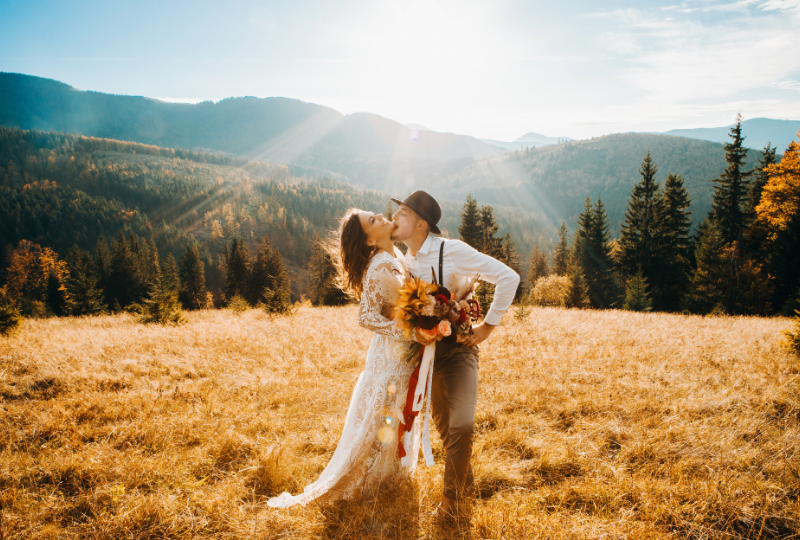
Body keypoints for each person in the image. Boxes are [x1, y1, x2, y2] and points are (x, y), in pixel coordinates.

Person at [268, 208, 423, 508]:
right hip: (389, 357)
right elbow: (365, 317)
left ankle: (388, 478)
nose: (380, 216)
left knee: (396, 413)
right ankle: (368, 481)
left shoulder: (397, 259)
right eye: (373, 220)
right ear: (368, 242)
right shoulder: (380, 265)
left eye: (376, 214)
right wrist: (408, 332)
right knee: (383, 414)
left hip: (403, 356)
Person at [390, 190, 520, 516]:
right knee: (447, 429)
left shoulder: (452, 250)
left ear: (422, 224)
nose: (393, 219)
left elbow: (508, 277)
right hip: (425, 356)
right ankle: (466, 492)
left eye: (401, 214)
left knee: (462, 425)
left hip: (460, 350)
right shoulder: (402, 262)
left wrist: (488, 327)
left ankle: (450, 504)